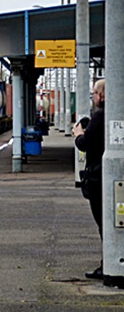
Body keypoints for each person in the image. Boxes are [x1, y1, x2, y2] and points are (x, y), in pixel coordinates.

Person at [73, 78, 105, 279]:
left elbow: (87, 143)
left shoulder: (101, 116)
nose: (93, 96)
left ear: (101, 95)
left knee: (104, 221)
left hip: (99, 177)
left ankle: (109, 263)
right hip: (105, 174)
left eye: (94, 92)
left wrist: (78, 134)